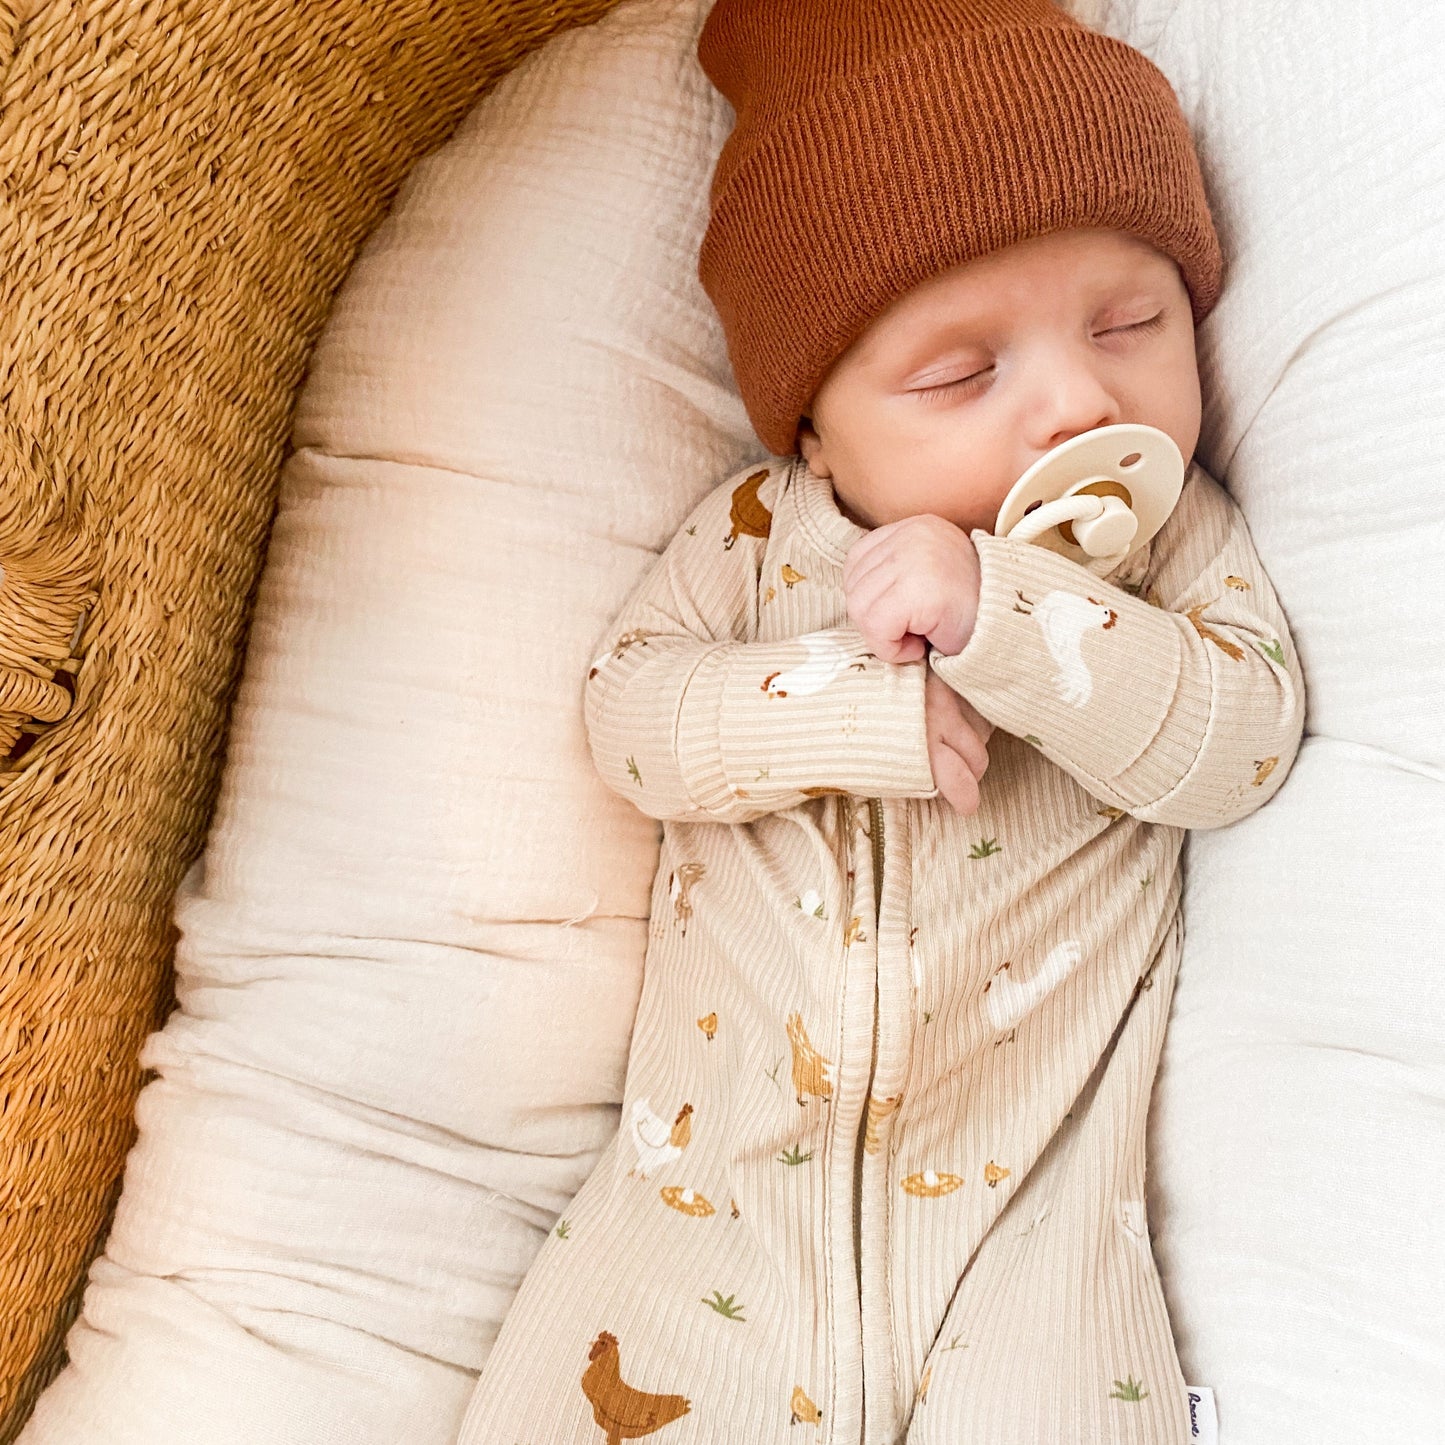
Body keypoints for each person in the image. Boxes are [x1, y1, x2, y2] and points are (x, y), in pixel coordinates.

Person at [457, 2, 1305, 1441]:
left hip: (1037, 1237)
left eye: (1130, 324)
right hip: (701, 1209)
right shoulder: (752, 540)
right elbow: (629, 716)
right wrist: (846, 708)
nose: (1077, 401)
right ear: (812, 427)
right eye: (962, 373)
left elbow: (1244, 741)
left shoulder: (1164, 549)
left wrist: (1011, 619)